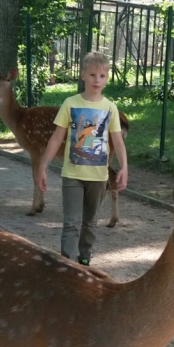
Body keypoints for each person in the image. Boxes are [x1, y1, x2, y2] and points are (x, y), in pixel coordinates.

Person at [37, 50, 128, 265]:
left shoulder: (110, 108)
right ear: (83, 75)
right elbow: (56, 138)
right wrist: (43, 167)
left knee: (90, 223)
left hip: (98, 176)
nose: (97, 80)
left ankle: (84, 259)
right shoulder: (70, 104)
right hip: (72, 174)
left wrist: (124, 167)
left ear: (107, 78)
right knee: (71, 223)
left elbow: (118, 141)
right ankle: (68, 265)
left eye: (102, 76)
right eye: (93, 75)